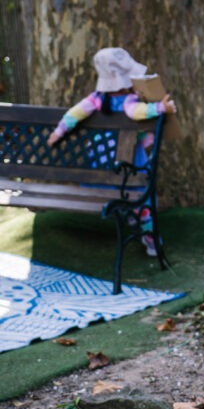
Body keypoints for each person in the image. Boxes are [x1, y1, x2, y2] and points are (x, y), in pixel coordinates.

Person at [46, 47, 176, 258]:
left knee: (118, 188)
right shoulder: (129, 101)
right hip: (126, 159)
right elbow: (136, 112)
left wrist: (58, 132)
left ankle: (132, 215)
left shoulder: (96, 99)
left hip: (102, 161)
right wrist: (160, 108)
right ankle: (150, 237)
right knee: (140, 194)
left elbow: (75, 113)